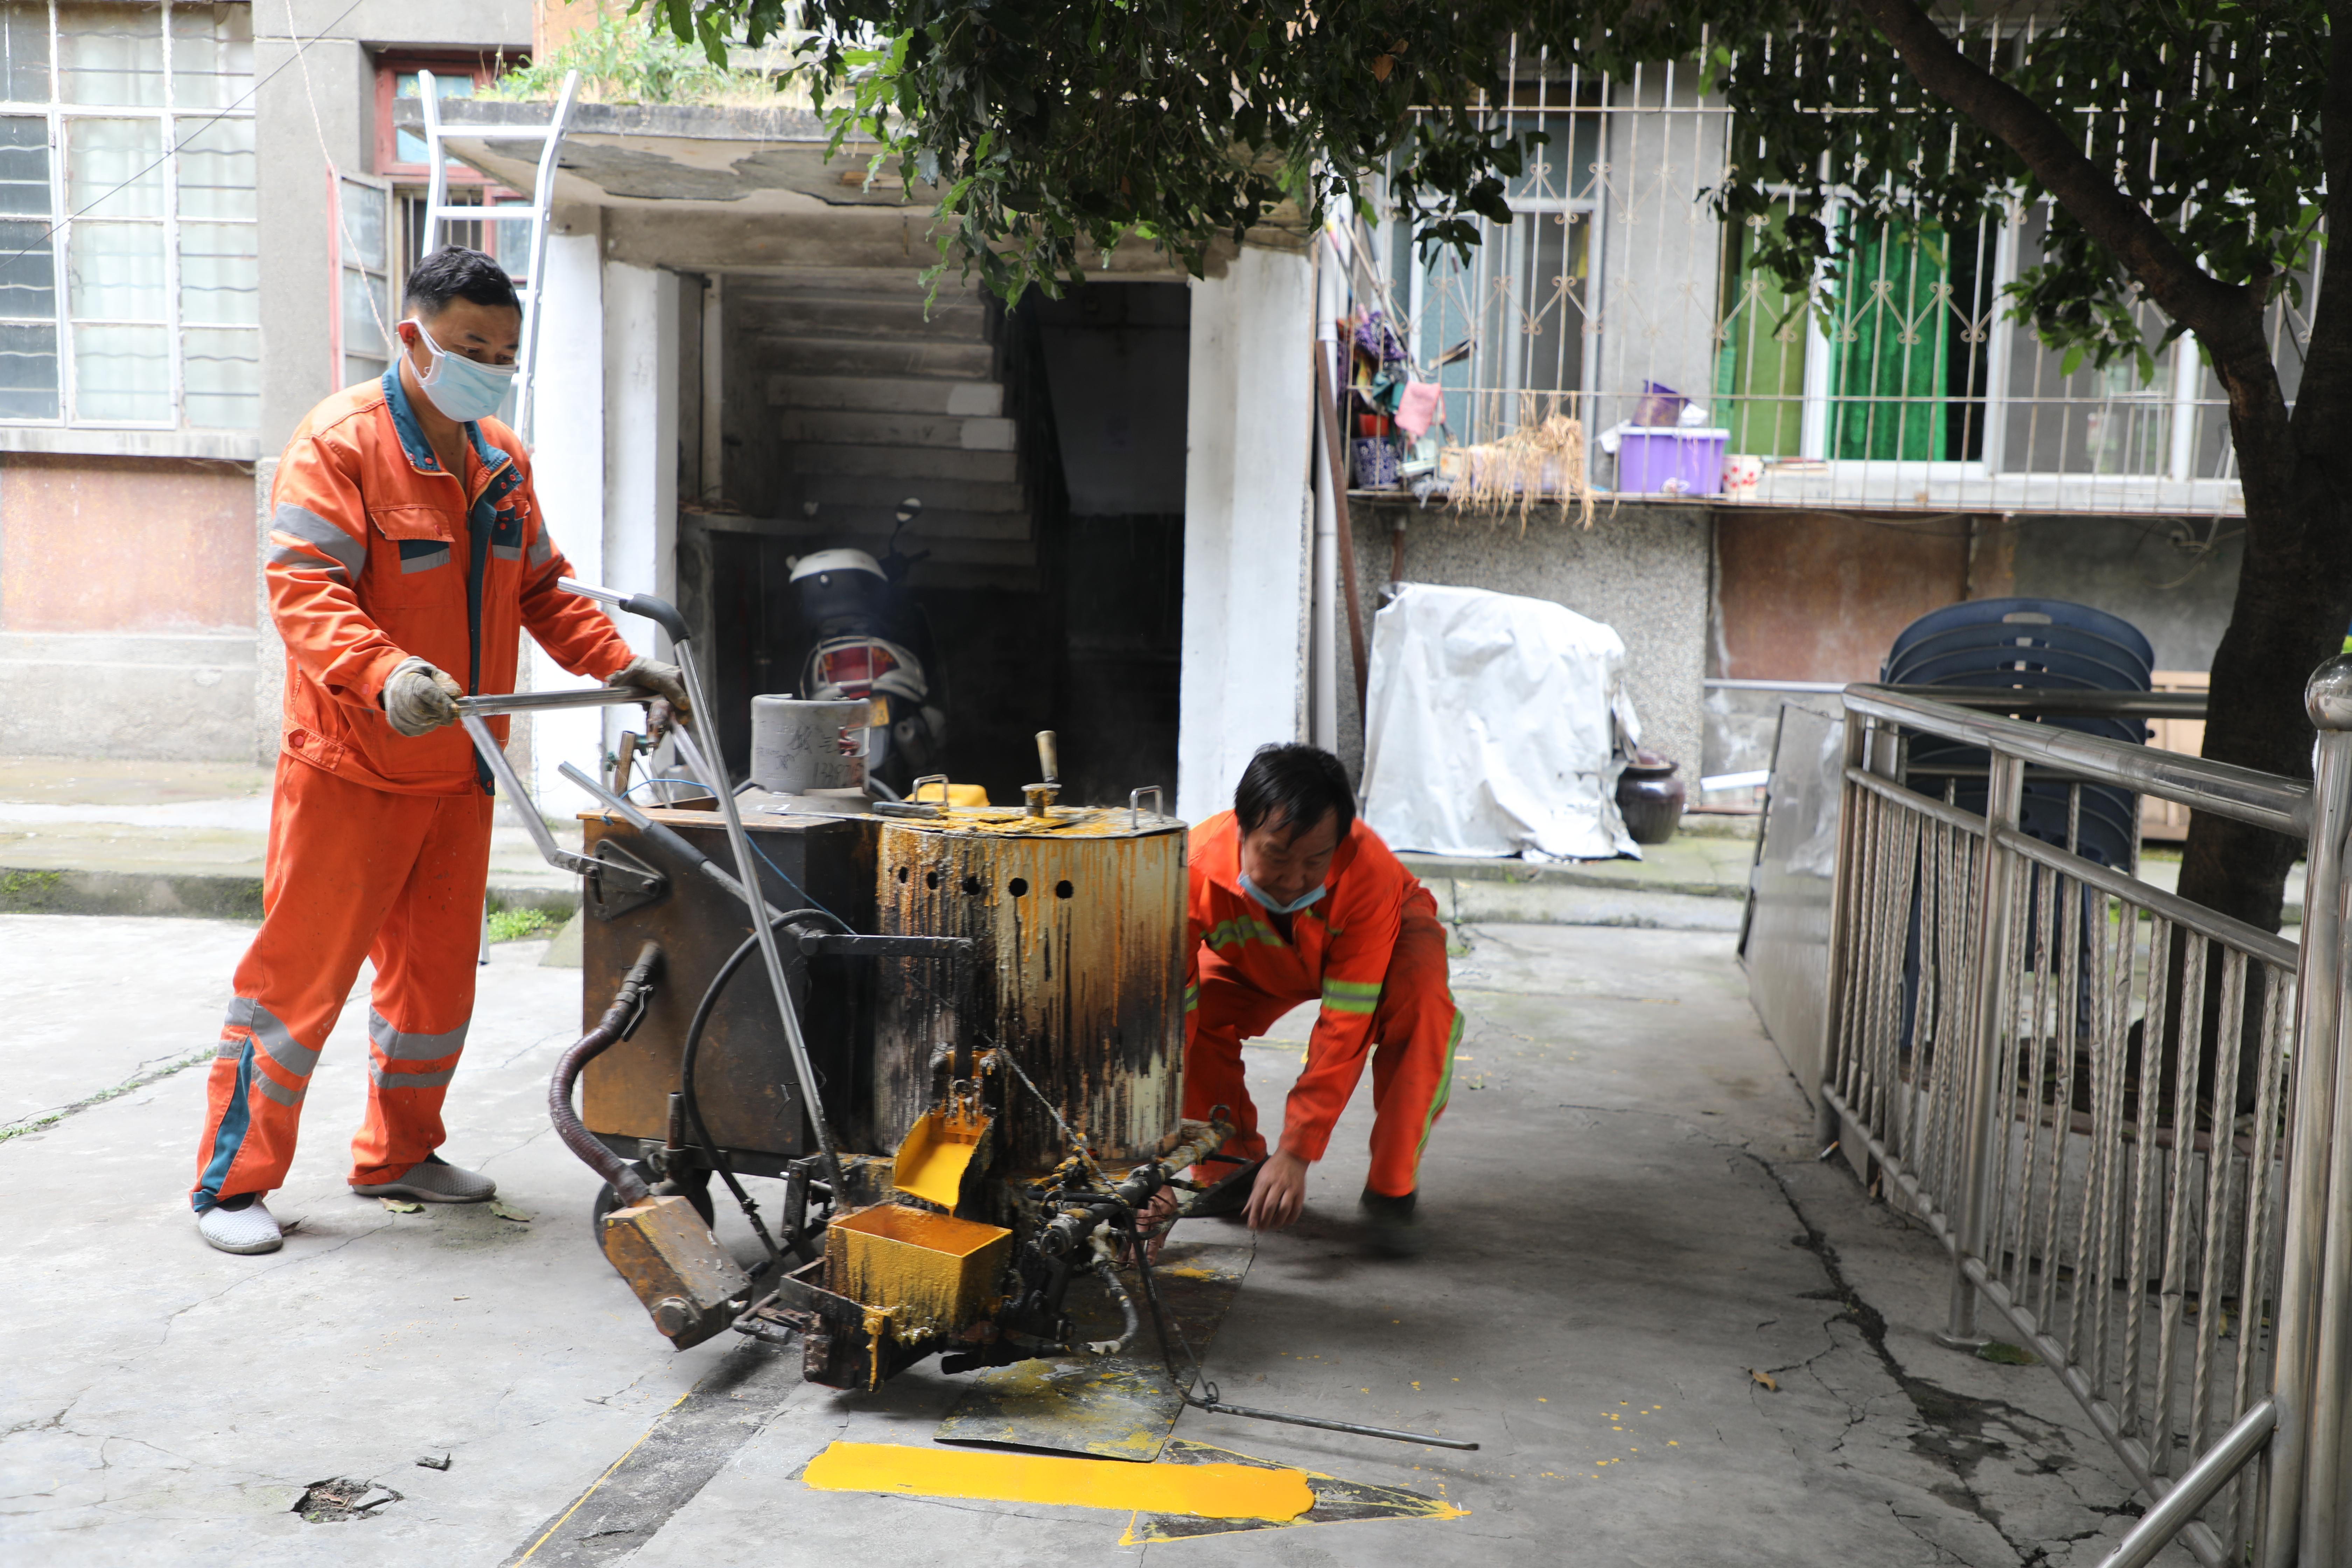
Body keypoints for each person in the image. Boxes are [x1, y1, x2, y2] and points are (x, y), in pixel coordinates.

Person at [189, 247, 688, 1255]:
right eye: (470, 347)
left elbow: (542, 588)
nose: (490, 367)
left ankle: (398, 1154)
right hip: (352, 770)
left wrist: (616, 665)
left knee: (435, 987)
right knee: (296, 988)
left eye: (503, 352)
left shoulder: (499, 458)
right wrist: (385, 675)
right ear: (413, 337)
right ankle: (229, 1185)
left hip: (462, 773)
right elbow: (307, 594)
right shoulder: (338, 446)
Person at [1178, 744, 1462, 1255]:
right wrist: (1146, 1159)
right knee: (1191, 1013)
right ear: (1241, 830)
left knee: (1422, 1009)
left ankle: (1390, 1192)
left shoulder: (1369, 874)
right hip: (1255, 952)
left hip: (1384, 937)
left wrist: (1297, 1151)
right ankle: (1230, 1167)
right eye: (1277, 855)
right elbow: (1162, 1018)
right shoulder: (1188, 869)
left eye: (1315, 861)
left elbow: (1346, 1023)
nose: (1293, 881)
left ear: (1341, 842)